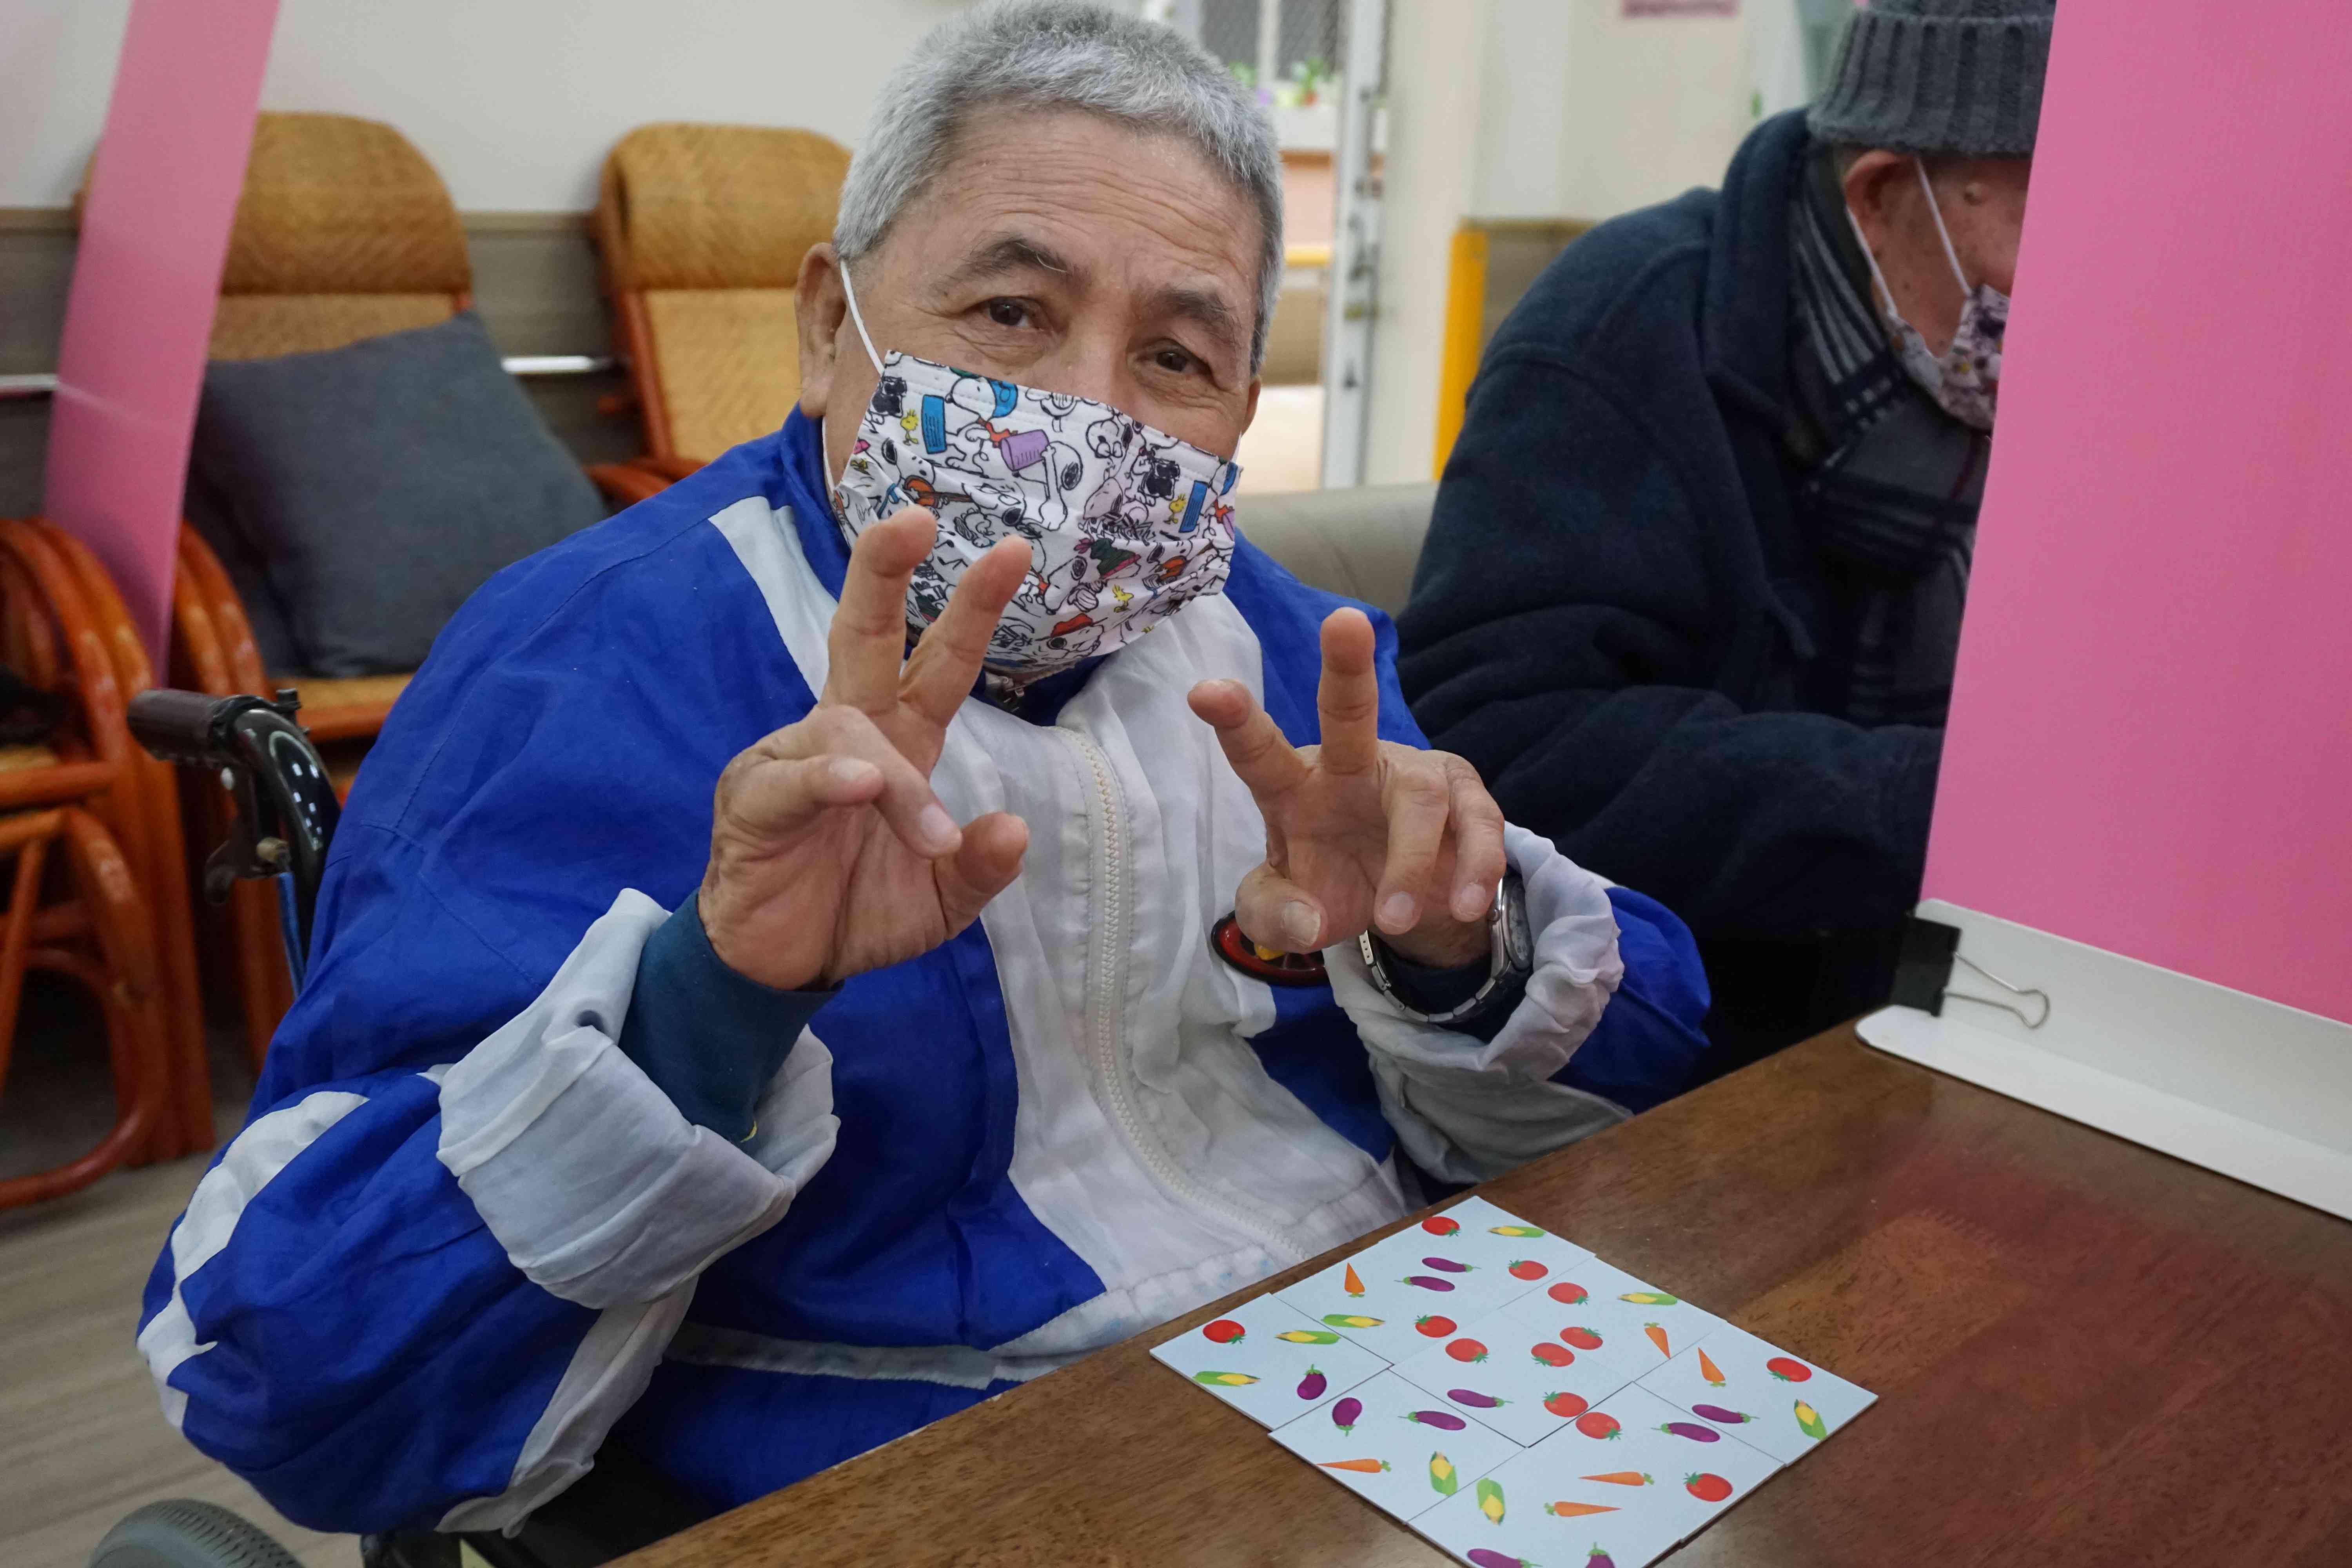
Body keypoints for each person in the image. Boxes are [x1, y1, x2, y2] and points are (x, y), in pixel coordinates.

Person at [138, 1, 1709, 1535]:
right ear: (831, 324)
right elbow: (286, 1370)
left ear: (1243, 409)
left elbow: (1636, 1100)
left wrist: (1447, 951)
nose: (1087, 415)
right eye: (1012, 314)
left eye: (1176, 356)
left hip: (1386, 1401)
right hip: (907, 1478)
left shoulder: (1298, 656)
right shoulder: (581, 663)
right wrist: (705, 1008)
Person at [1399, 0, 2050, 1063]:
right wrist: (1932, 802)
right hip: (1669, 1043)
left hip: (1965, 999)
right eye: (2049, 231)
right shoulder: (1619, 340)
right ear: (1882, 193)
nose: (2077, 295)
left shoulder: (1999, 374)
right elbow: (1500, 745)